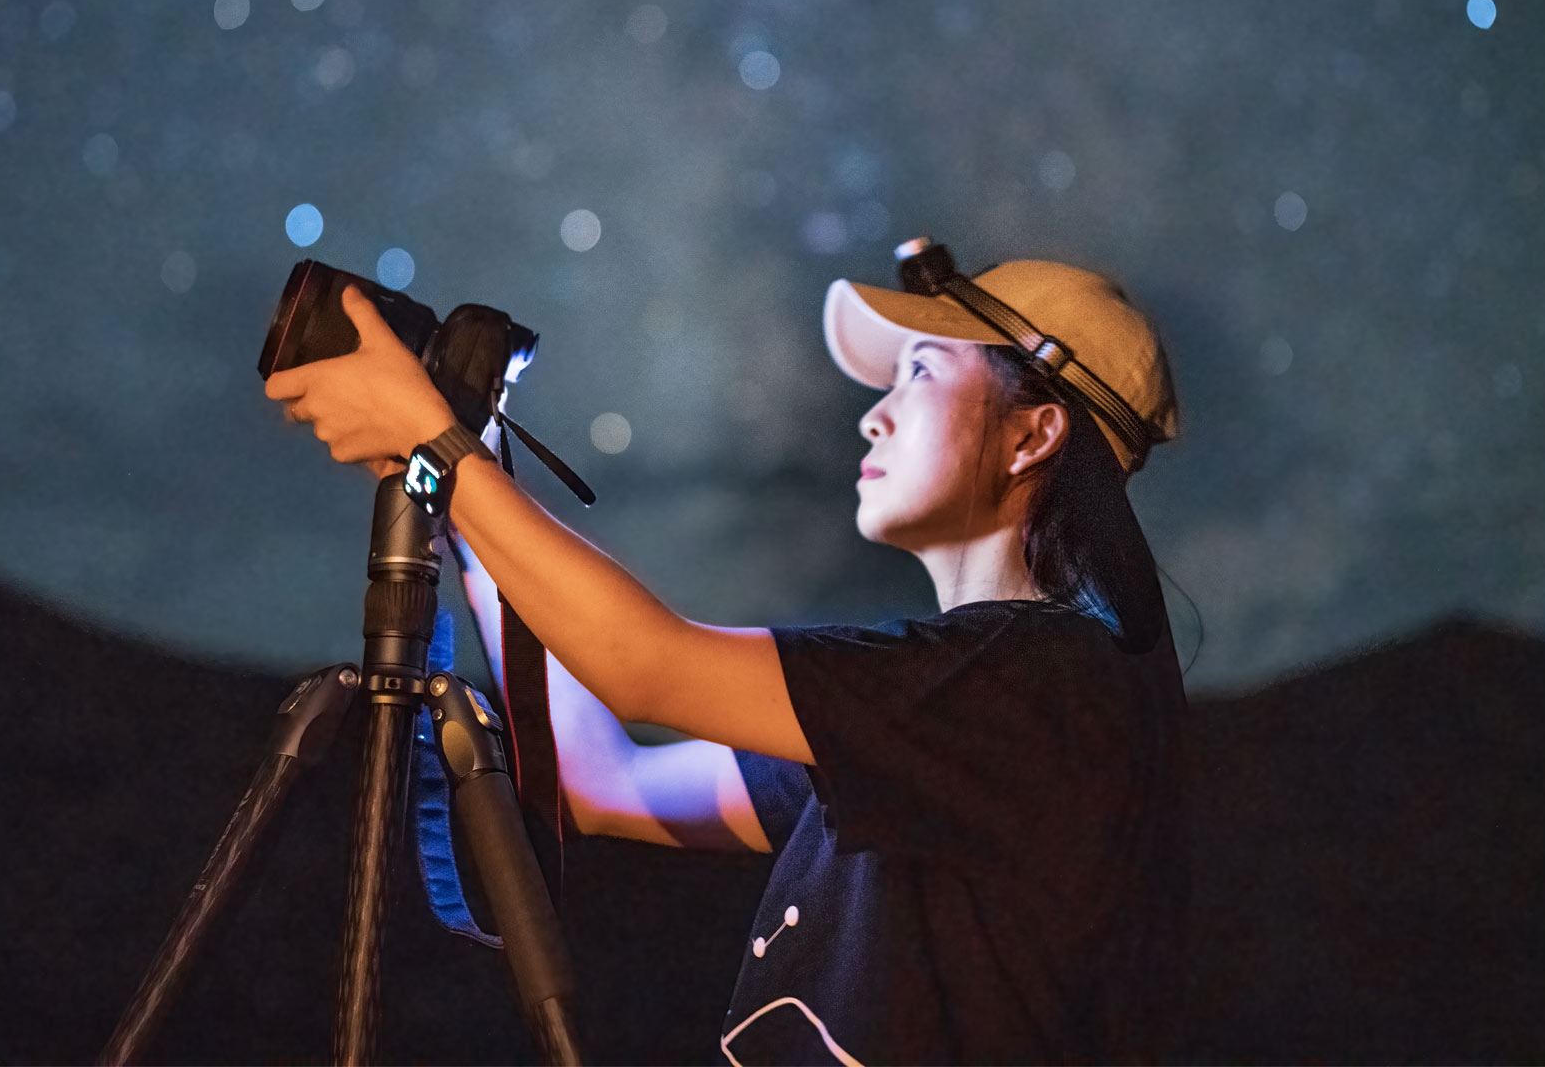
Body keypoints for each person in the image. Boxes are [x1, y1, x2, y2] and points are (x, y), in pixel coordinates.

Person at [264, 250, 1190, 1065]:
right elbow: (602, 777)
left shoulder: (1039, 687)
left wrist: (439, 447)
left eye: (918, 372)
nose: (874, 418)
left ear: (1034, 433)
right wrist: (474, 485)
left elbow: (648, 665)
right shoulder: (941, 722)